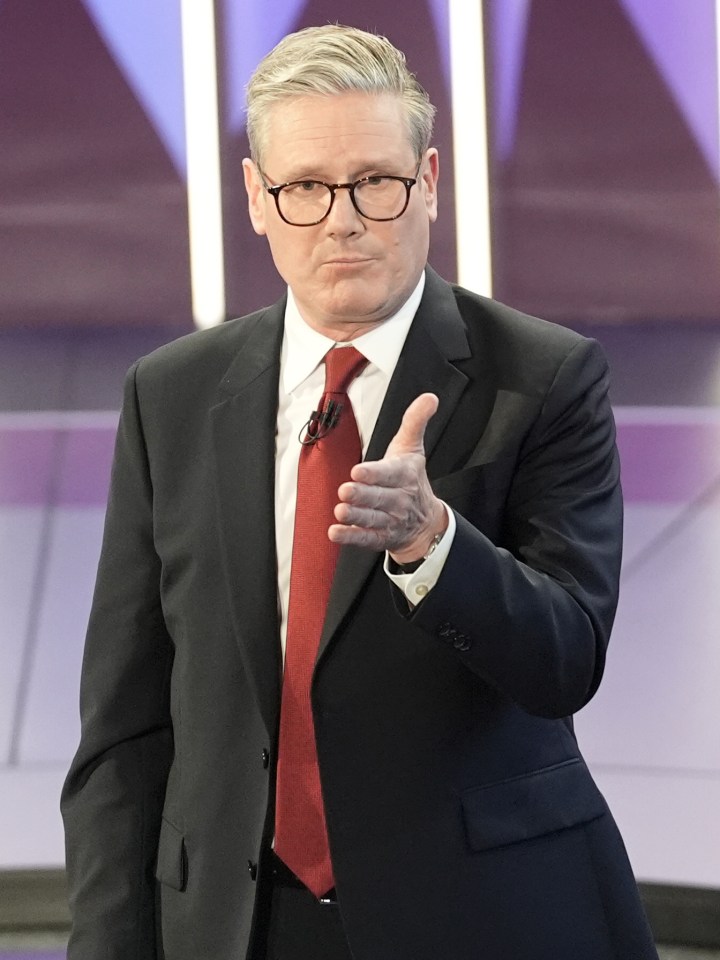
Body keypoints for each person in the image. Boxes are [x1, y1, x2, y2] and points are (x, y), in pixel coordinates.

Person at [61, 24, 659, 960]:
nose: (342, 219)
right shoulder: (169, 395)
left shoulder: (542, 379)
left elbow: (566, 658)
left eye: (374, 181)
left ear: (428, 181)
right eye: (305, 187)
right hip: (238, 921)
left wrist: (435, 546)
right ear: (257, 200)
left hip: (480, 916)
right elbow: (125, 727)